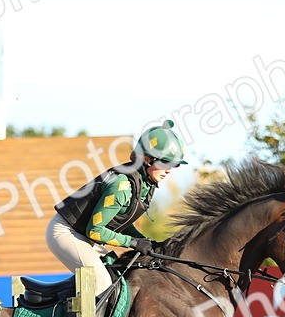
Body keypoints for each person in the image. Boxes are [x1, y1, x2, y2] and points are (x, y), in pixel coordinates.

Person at [47, 120, 187, 297]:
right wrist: (133, 243)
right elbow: (95, 231)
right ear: (146, 159)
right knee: (102, 282)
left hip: (84, 236)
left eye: (174, 165)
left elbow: (121, 221)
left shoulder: (144, 184)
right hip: (66, 233)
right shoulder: (122, 186)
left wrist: (144, 241)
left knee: (117, 275)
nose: (169, 170)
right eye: (166, 162)